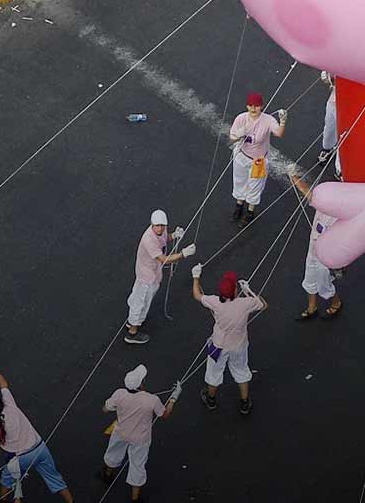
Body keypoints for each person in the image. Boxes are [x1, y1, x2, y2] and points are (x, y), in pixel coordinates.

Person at [0, 356, 76, 502]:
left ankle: (3, 501)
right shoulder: (10, 405)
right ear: (1, 402)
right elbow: (2, 381)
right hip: (40, 448)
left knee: (7, 481)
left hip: (20, 458)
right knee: (55, 478)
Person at [190, 265, 266, 414]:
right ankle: (245, 402)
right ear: (235, 291)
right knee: (241, 370)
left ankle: (210, 399)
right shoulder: (245, 303)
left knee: (213, 372)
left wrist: (195, 277)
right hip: (239, 345)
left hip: (218, 345)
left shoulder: (215, 302)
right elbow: (263, 304)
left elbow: (197, 295)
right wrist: (249, 291)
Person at [99, 365, 177, 499]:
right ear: (141, 384)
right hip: (140, 439)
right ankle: (135, 498)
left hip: (120, 433)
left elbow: (105, 409)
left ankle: (107, 475)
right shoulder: (152, 400)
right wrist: (174, 397)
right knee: (137, 466)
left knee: (113, 453)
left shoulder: (119, 394)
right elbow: (165, 415)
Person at [124, 210, 195, 345]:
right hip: (147, 276)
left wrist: (173, 235)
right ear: (152, 224)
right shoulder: (148, 240)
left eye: (163, 225)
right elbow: (164, 259)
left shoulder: (161, 231)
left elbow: (164, 238)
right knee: (142, 302)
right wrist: (183, 254)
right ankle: (132, 332)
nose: (161, 228)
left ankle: (132, 321)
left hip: (152, 272)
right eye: (158, 225)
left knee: (139, 298)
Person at [287, 172, 344, 318]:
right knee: (309, 279)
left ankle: (336, 303)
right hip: (313, 250)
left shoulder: (341, 216)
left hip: (325, 255)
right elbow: (305, 190)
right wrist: (294, 177)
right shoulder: (322, 203)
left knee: (325, 285)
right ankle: (312, 307)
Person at [228, 92, 287, 224]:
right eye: (250, 105)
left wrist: (282, 122)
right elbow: (232, 137)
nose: (253, 109)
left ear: (262, 106)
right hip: (242, 156)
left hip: (258, 161)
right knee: (239, 181)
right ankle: (239, 205)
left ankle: (250, 211)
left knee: (255, 185)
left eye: (256, 106)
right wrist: (240, 133)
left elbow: (278, 133)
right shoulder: (241, 118)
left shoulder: (268, 120)